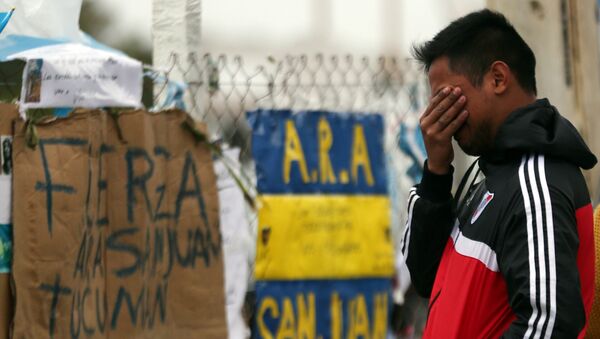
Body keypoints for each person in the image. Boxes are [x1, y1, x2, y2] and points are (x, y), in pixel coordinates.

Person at [401, 9, 596, 338]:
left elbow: (549, 326)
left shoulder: (537, 182)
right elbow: (425, 278)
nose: (439, 116)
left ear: (498, 79)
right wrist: (435, 173)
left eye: (447, 97)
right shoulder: (491, 171)